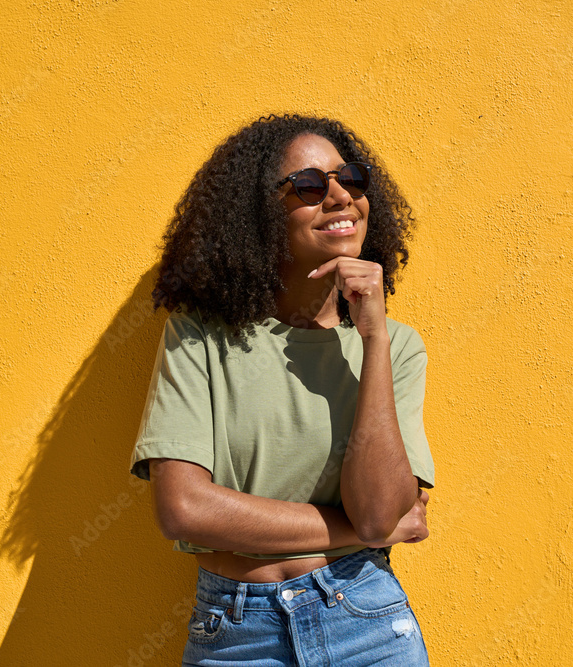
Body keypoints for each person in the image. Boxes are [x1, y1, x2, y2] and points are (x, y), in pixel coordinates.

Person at [128, 114, 436, 666]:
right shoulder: (201, 334)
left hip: (366, 620)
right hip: (238, 633)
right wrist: (361, 528)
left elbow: (379, 509)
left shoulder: (396, 346)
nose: (340, 197)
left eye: (352, 180)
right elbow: (182, 509)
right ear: (259, 215)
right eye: (311, 186)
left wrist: (372, 338)